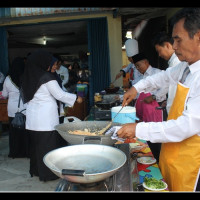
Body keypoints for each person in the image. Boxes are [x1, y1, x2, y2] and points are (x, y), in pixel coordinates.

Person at [117, 8, 200, 191]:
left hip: (191, 160)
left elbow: (185, 126)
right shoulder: (185, 67)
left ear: (198, 36)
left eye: (178, 39)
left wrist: (139, 128)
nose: (175, 46)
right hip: (173, 151)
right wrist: (135, 88)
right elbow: (161, 78)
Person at [21, 49, 83, 182]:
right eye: (50, 62)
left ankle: (36, 171)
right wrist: (76, 98)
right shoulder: (47, 77)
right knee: (47, 148)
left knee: (36, 148)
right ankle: (48, 174)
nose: (53, 65)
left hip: (32, 120)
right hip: (45, 120)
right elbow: (59, 95)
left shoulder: (30, 76)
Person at [131, 52, 167, 162]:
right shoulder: (140, 77)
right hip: (144, 112)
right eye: (136, 66)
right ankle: (149, 159)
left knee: (156, 136)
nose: (137, 68)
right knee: (147, 138)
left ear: (146, 62)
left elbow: (166, 87)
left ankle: (158, 160)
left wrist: (154, 97)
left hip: (156, 110)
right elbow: (137, 93)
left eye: (138, 65)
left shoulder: (157, 73)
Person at [1, 57, 29, 158]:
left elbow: (4, 94)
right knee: (25, 131)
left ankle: (15, 152)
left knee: (14, 132)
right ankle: (26, 152)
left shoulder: (8, 79)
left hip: (13, 109)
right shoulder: (27, 77)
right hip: (25, 108)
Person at [152, 31, 181, 115]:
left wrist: (154, 97)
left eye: (159, 51)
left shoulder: (176, 62)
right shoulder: (173, 62)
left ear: (167, 45)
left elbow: (167, 84)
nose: (159, 55)